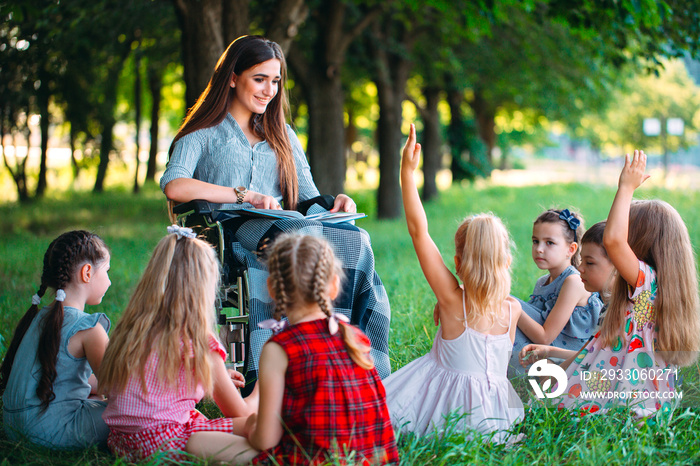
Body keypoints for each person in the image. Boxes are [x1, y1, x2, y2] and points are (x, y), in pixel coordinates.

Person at [160, 35, 391, 379]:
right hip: (228, 232)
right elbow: (174, 185)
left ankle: (359, 363)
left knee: (357, 239)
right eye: (260, 79)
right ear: (233, 77)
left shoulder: (282, 133)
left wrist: (336, 204)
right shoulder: (203, 131)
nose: (269, 90)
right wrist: (244, 195)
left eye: (275, 80)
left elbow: (308, 196)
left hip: (286, 226)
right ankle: (275, 370)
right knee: (297, 231)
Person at [523, 150, 700, 417]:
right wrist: (555, 361)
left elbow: (614, 240)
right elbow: (596, 350)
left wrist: (626, 188)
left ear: (644, 242)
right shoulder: (641, 291)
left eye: (629, 231)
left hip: (629, 397)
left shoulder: (646, 282)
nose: (622, 237)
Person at [381, 124, 523, 441]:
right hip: (495, 420)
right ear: (507, 262)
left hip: (446, 412)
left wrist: (407, 171)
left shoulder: (451, 300)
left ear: (457, 264)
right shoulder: (512, 311)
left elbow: (419, 231)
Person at [99, 226, 258, 463]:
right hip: (165, 442)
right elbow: (241, 412)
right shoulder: (198, 340)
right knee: (259, 432)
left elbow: (155, 386)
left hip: (123, 443)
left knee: (248, 428)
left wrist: (213, 377)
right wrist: (264, 384)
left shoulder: (132, 328)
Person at [244, 233, 398, 465]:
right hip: (373, 459)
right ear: (335, 285)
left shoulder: (280, 347)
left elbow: (266, 440)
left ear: (271, 289)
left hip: (313, 459)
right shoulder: (353, 335)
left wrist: (251, 427)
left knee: (200, 442)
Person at [1, 230, 112, 448]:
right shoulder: (89, 328)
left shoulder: (40, 317)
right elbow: (118, 389)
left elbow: (66, 376)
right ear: (87, 272)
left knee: (97, 399)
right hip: (51, 431)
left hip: (15, 426)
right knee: (131, 414)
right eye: (107, 271)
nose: (109, 281)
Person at [508, 207, 604, 376]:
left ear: (571, 249)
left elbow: (545, 337)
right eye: (535, 241)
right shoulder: (542, 282)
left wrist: (512, 305)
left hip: (568, 361)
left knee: (505, 307)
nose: (539, 248)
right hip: (541, 351)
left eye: (549, 243)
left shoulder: (574, 281)